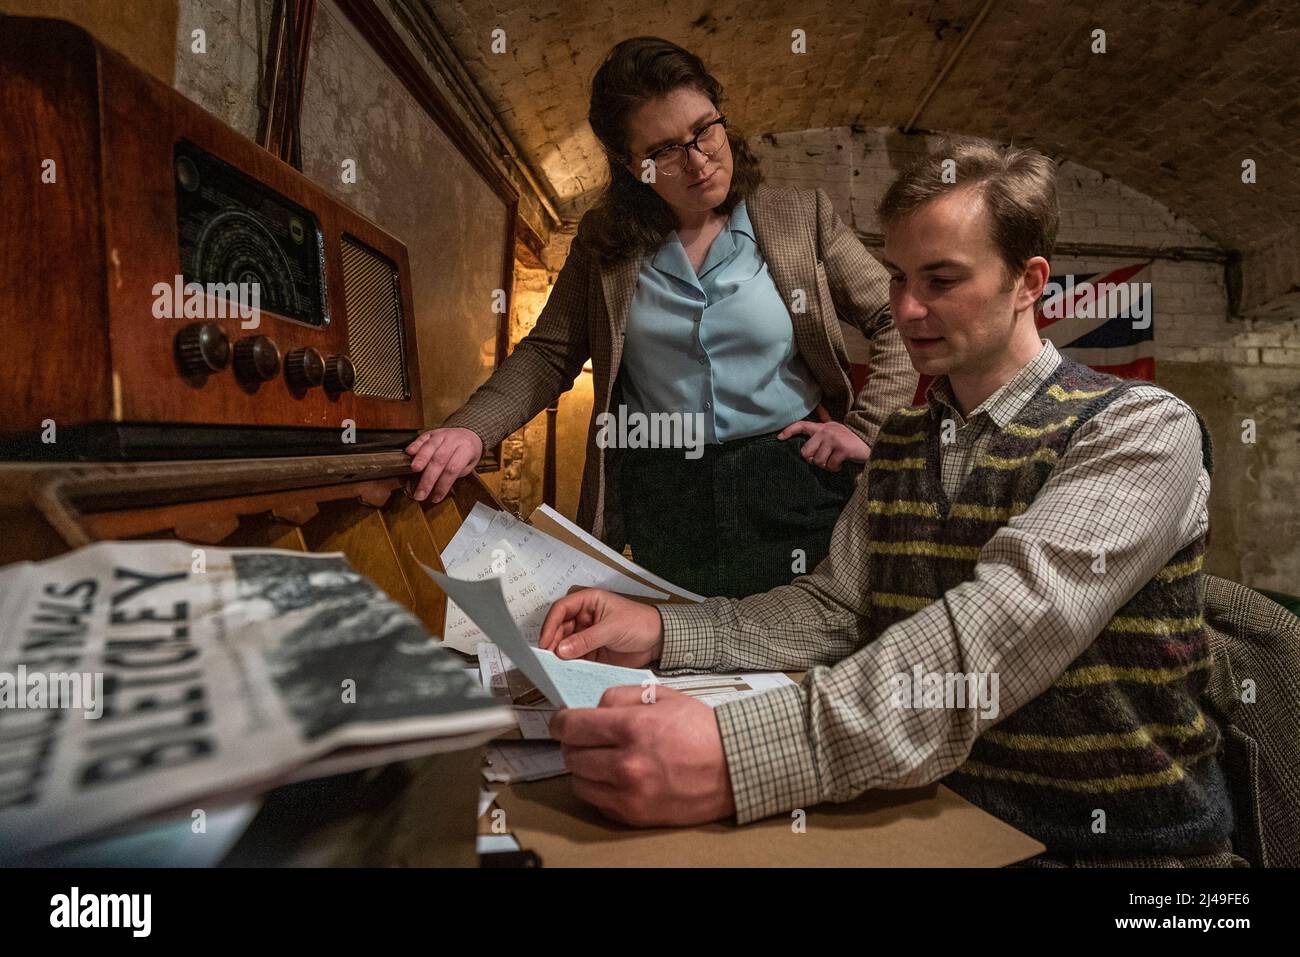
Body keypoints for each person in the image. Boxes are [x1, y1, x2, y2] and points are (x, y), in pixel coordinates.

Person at [538, 139, 1242, 867]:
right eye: (899, 277)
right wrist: (661, 628)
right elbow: (836, 608)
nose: (905, 309)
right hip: (940, 820)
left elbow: (995, 633)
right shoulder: (904, 441)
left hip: (1124, 854)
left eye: (941, 280)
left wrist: (734, 755)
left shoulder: (1139, 427)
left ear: (1029, 281)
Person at [407, 36, 916, 598]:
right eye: (665, 151)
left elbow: (894, 317)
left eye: (705, 130)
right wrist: (472, 428)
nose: (698, 161)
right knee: (674, 652)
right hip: (665, 493)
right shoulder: (604, 246)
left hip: (794, 479)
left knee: (802, 642)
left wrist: (868, 431)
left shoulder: (800, 217)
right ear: (632, 166)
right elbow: (549, 353)